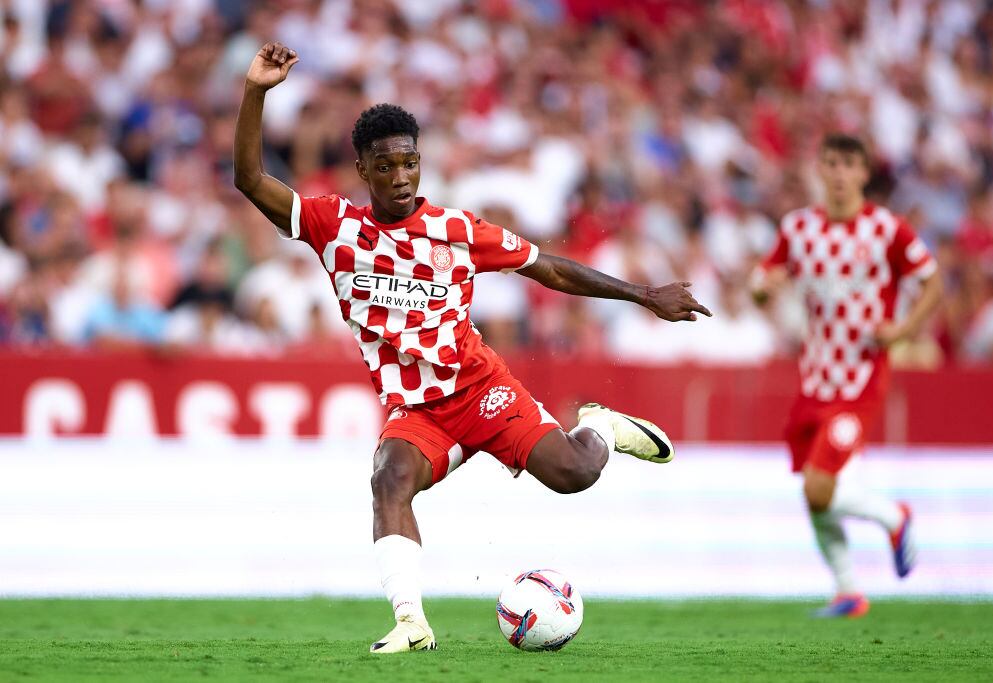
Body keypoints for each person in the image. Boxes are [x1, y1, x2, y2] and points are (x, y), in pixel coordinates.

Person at [233, 42, 712, 652]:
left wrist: (644, 295)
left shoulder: (457, 231)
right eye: (385, 166)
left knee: (574, 476)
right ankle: (411, 621)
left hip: (479, 389)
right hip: (419, 411)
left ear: (420, 163)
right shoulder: (335, 227)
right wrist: (256, 92)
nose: (400, 176)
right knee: (389, 480)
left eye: (409, 162)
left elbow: (552, 270)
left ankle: (598, 425)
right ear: (363, 170)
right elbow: (248, 179)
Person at [751, 134, 943, 618]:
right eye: (831, 162)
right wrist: (763, 288)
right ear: (820, 167)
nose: (839, 173)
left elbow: (934, 281)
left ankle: (895, 517)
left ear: (863, 173)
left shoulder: (887, 229)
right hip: (813, 378)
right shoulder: (797, 228)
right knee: (816, 493)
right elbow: (762, 283)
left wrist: (902, 329)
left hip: (861, 378)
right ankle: (848, 592)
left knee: (818, 486)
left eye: (848, 164)